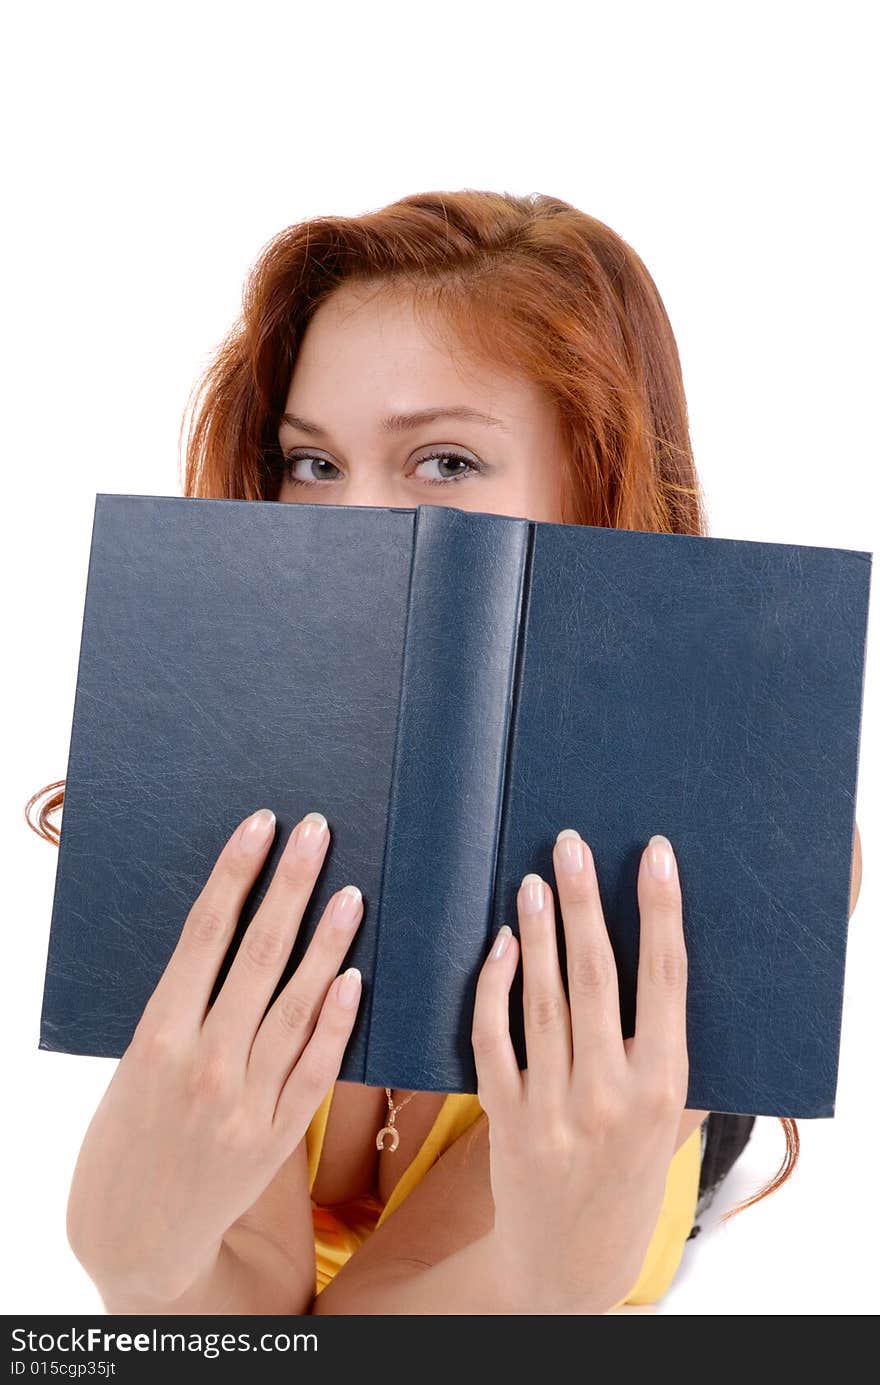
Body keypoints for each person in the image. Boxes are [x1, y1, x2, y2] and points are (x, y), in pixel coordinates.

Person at [27, 189, 863, 1315]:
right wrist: (133, 1260)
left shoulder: (743, 858)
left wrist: (544, 1279)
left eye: (446, 461)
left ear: (593, 487)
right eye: (312, 465)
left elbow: (369, 1318)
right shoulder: (232, 782)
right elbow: (257, 1300)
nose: (355, 525)